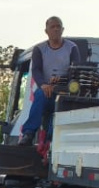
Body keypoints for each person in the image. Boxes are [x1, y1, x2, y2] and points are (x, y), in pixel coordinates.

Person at [19, 16, 82, 146]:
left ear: (63, 29)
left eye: (58, 26)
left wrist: (63, 80)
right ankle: (29, 133)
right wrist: (43, 85)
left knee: (61, 106)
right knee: (40, 96)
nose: (55, 29)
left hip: (64, 90)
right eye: (52, 27)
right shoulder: (39, 49)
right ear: (46, 31)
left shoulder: (72, 48)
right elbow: (36, 70)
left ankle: (50, 139)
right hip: (46, 90)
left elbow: (76, 71)